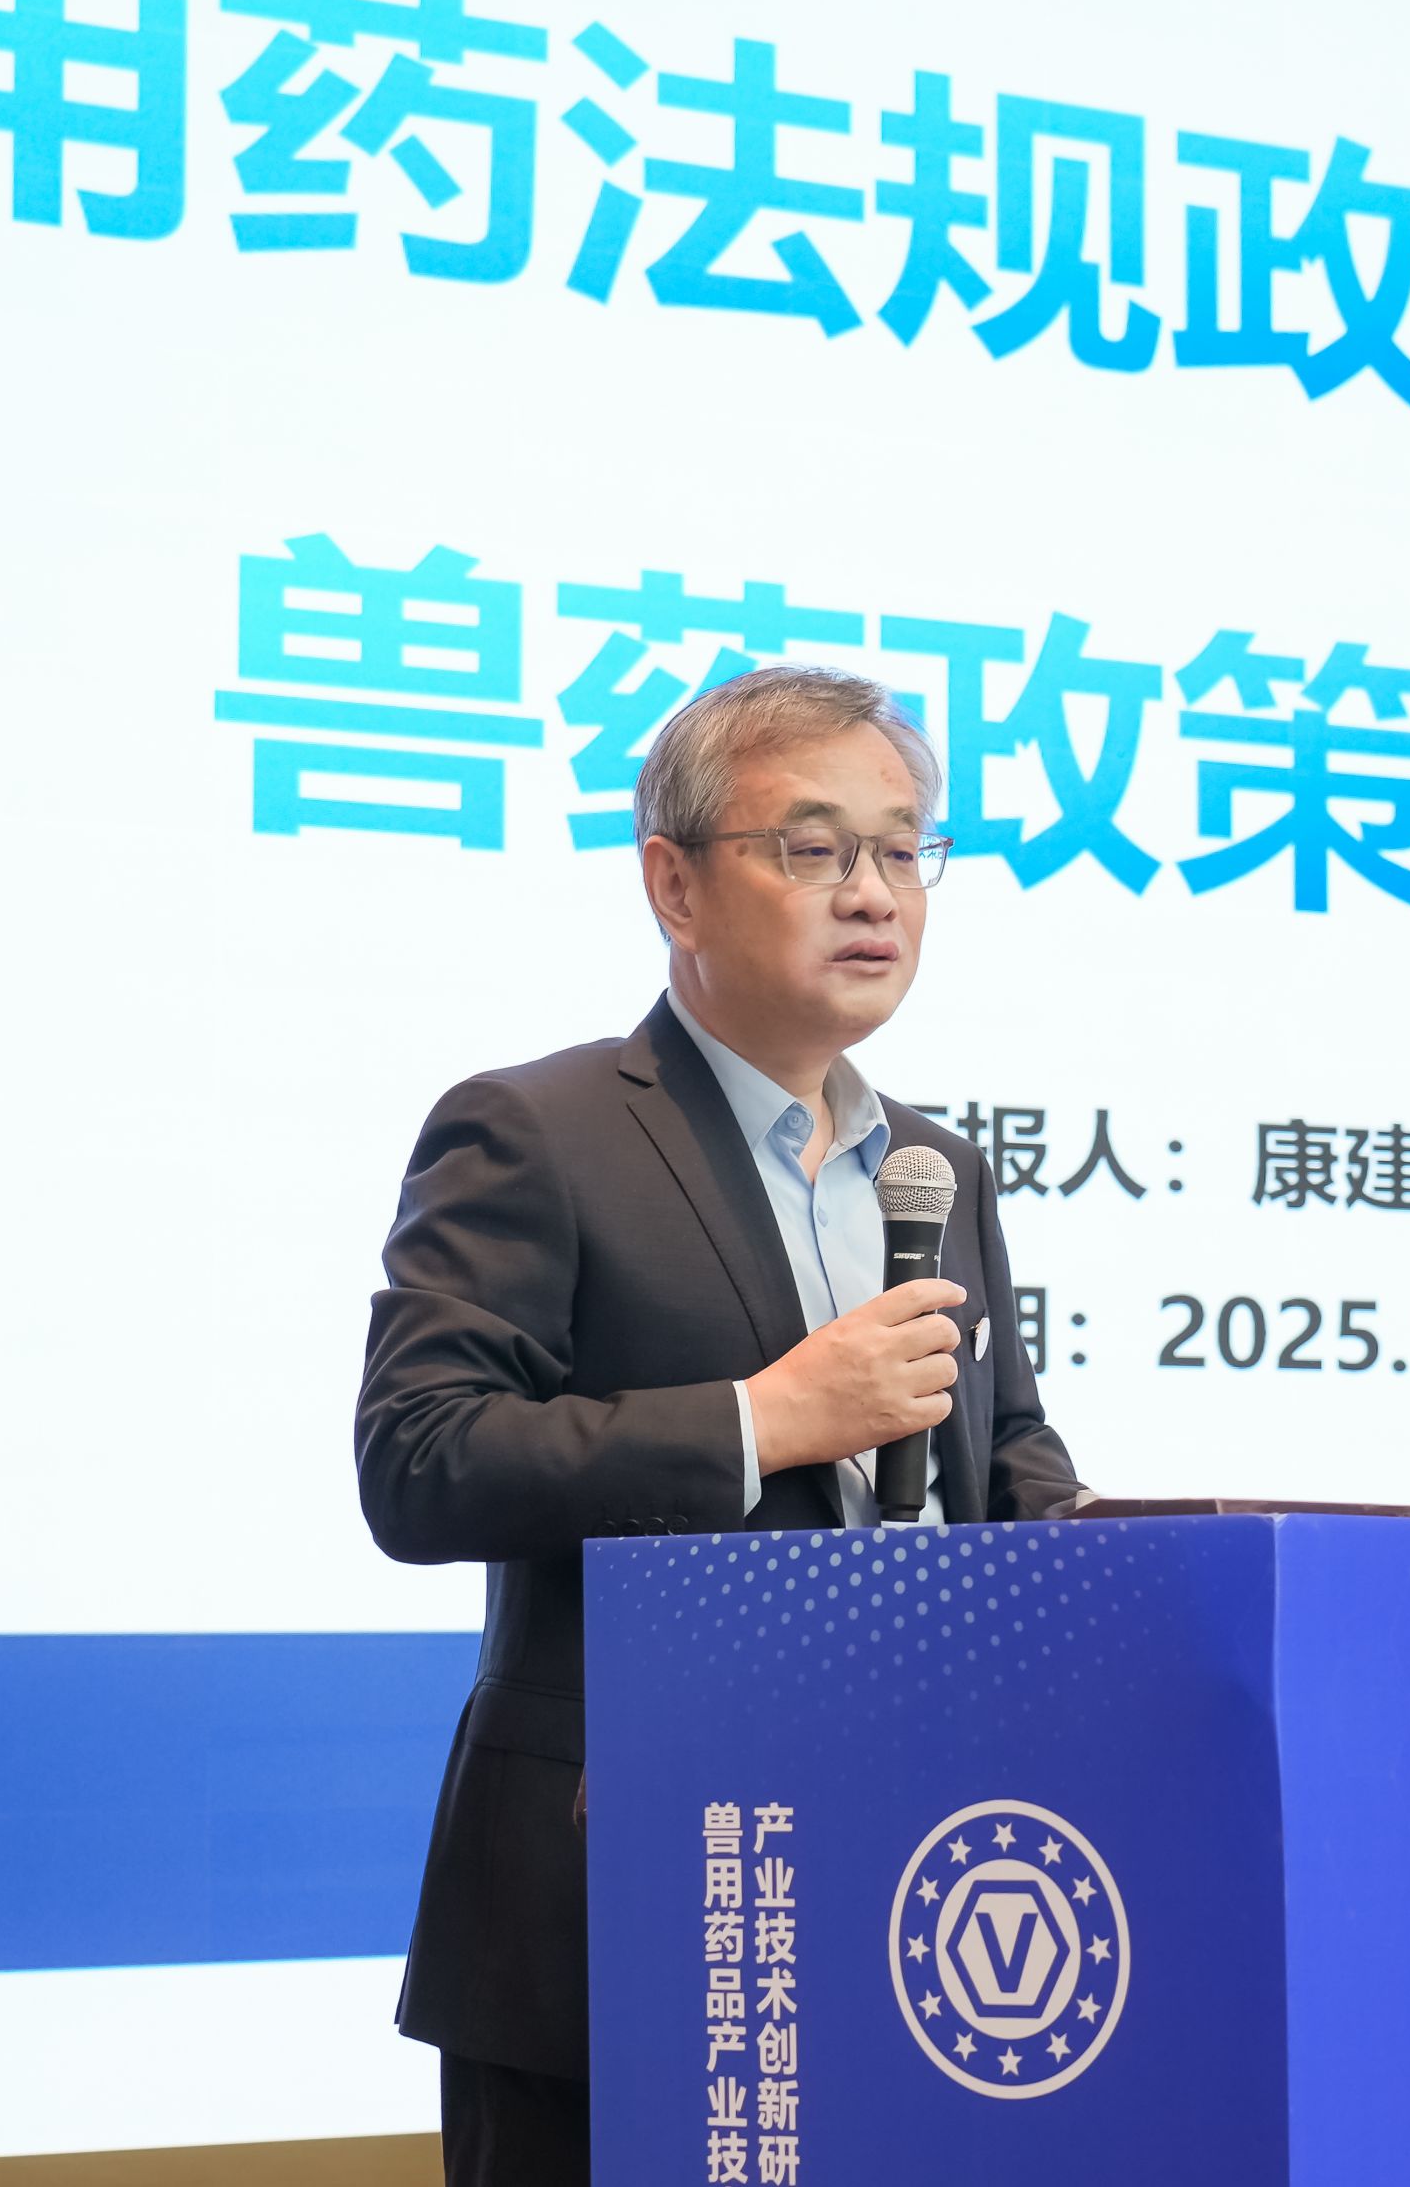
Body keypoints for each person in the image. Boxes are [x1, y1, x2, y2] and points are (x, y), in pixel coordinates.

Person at [352, 664, 1089, 2186]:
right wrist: (765, 1419)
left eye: (904, 850)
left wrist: (1115, 1560)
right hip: (617, 1892)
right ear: (673, 883)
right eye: (815, 848)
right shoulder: (538, 1130)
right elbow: (422, 1461)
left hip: (909, 1882)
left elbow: (1008, 1457)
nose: (873, 893)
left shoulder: (938, 1169)